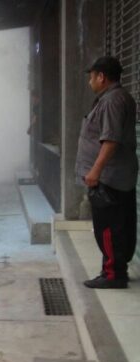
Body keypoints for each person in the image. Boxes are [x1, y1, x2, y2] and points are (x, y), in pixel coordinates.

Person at [76, 56, 138, 289]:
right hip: (116, 176)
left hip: (109, 178)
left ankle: (113, 274)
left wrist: (95, 171)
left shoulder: (112, 101)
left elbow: (110, 140)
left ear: (101, 77)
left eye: (92, 77)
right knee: (119, 225)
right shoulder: (116, 98)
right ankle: (116, 268)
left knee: (109, 227)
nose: (90, 81)